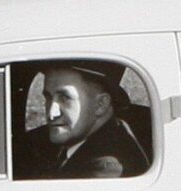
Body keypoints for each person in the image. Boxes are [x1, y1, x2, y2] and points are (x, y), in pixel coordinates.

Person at [15, 63, 152, 180]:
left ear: (100, 104)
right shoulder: (77, 138)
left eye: (64, 98)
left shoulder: (105, 170)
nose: (51, 113)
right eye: (48, 97)